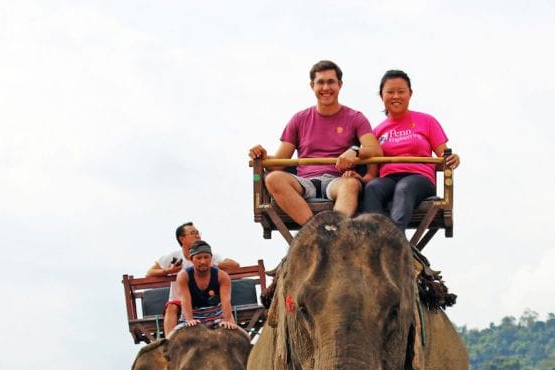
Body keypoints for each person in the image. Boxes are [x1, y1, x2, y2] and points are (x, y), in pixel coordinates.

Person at [248, 60, 382, 225]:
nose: (326, 88)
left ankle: (335, 230)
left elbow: (375, 150)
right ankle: (316, 232)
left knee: (351, 185)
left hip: (337, 181)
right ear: (312, 85)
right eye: (321, 82)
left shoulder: (355, 118)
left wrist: (355, 150)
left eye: (331, 82)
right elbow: (277, 164)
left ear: (340, 85)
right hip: (305, 182)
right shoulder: (299, 119)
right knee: (273, 178)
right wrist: (263, 155)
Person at [360, 70, 461, 228]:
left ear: (410, 94)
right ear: (381, 96)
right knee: (373, 188)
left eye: (401, 92)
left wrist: (453, 159)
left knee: (404, 187)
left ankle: (396, 242)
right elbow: (372, 171)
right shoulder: (377, 131)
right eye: (390, 92)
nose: (396, 96)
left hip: (419, 178)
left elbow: (443, 156)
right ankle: (375, 238)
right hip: (389, 178)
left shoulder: (426, 121)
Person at [146, 222, 240, 329]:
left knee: (223, 308)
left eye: (198, 233)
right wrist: (169, 270)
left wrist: (213, 264)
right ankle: (169, 342)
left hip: (208, 299)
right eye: (193, 233)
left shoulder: (207, 254)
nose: (197, 235)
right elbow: (149, 273)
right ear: (182, 239)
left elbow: (234, 265)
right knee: (171, 308)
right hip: (180, 298)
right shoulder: (174, 257)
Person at [172, 240, 240, 334]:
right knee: (172, 339)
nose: (203, 261)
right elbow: (185, 300)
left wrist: (228, 320)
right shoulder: (183, 276)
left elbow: (226, 300)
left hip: (217, 317)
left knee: (244, 337)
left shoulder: (222, 276)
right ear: (191, 259)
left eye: (206, 257)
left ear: (211, 258)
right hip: (193, 317)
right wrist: (190, 320)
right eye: (198, 258)